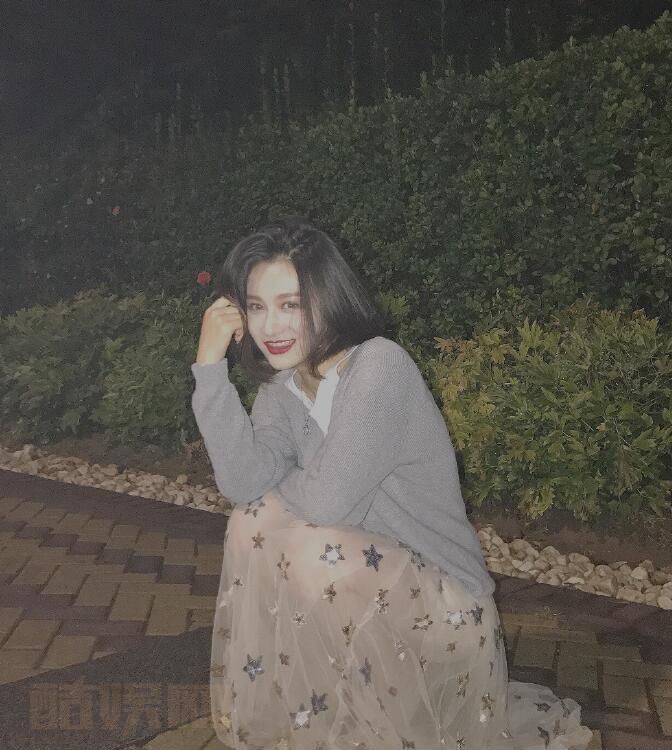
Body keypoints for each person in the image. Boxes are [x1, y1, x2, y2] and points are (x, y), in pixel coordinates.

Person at [190, 216, 592, 750]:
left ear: (328, 299)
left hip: (448, 606)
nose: (272, 326)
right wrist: (209, 367)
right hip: (365, 588)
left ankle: (378, 711)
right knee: (250, 522)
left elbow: (327, 502)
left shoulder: (380, 366)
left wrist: (277, 484)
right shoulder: (283, 389)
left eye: (291, 304)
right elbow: (243, 483)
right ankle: (338, 706)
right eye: (257, 307)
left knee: (304, 545)